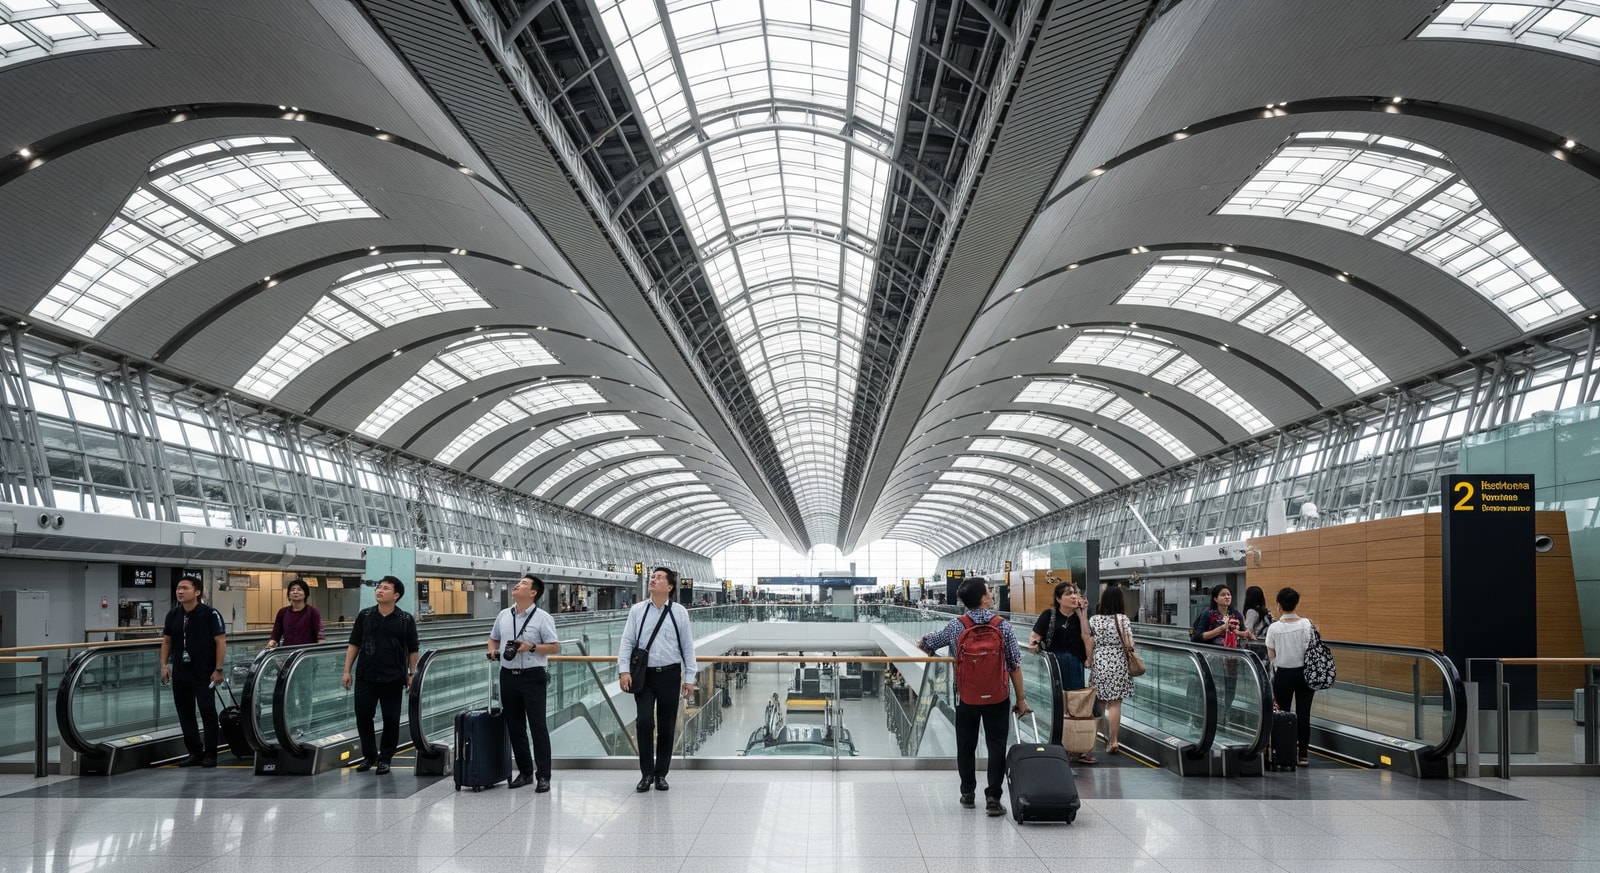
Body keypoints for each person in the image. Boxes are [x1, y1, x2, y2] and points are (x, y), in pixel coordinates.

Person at [918, 578, 1031, 817]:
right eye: (989, 591)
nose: (992, 594)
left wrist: (926, 642)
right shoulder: (1003, 626)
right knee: (996, 746)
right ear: (983, 598)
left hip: (966, 697)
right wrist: (1021, 699)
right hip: (998, 698)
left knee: (966, 746)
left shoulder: (956, 626)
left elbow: (929, 642)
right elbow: (1014, 666)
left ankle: (968, 793)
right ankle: (993, 798)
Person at [617, 566, 696, 792]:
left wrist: (689, 677)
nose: (653, 580)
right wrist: (624, 671)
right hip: (644, 675)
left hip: (670, 675)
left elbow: (687, 648)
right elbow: (627, 642)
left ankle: (661, 773)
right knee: (643, 723)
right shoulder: (637, 610)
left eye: (659, 578)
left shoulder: (679, 612)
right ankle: (646, 774)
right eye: (653, 577)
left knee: (666, 726)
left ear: (669, 587)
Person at [488, 574, 560, 792]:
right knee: (515, 727)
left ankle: (544, 776)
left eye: (523, 584)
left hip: (533, 676)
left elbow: (554, 646)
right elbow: (494, 638)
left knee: (538, 727)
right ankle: (525, 772)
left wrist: (531, 647)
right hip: (508, 676)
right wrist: (492, 649)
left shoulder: (542, 617)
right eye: (518, 582)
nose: (517, 584)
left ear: (533, 593)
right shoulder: (503, 615)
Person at [342, 576, 419, 774]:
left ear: (396, 595)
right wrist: (347, 671)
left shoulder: (405, 619)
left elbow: (413, 649)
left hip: (393, 677)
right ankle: (369, 756)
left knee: (391, 719)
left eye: (385, 588)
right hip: (366, 676)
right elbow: (354, 643)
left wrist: (412, 674)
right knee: (363, 717)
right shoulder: (365, 615)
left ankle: (385, 757)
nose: (379, 590)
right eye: (379, 587)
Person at [158, 575, 226, 767]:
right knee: (185, 713)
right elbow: (167, 641)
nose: (180, 591)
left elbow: (220, 641)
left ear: (197, 592)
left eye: (185, 588)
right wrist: (164, 665)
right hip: (181, 672)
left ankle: (211, 753)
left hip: (204, 672)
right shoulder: (173, 615)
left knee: (207, 711)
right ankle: (194, 752)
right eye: (178, 588)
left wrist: (218, 669)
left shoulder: (210, 614)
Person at [1028, 581, 1096, 764]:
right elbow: (1034, 637)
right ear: (1058, 599)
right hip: (1054, 666)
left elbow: (1087, 638)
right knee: (1060, 707)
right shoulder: (1048, 615)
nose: (1073, 596)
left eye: (1074, 593)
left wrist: (1082, 615)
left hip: (1075, 665)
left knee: (1078, 705)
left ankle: (1079, 748)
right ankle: (1061, 746)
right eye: (1068, 594)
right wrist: (1034, 645)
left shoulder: (1080, 616)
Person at [1264, 586, 1316, 768]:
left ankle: (1284, 754)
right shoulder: (1307, 624)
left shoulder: (1274, 628)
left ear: (1279, 605)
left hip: (1283, 674)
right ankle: (1303, 756)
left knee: (1282, 714)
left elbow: (1271, 654)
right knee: (1304, 715)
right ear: (1297, 603)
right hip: (1305, 674)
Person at [1088, 587, 1136, 755]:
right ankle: (1113, 740)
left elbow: (1090, 642)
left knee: (1099, 702)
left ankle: (1093, 739)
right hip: (1118, 662)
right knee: (1115, 702)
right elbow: (1130, 644)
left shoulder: (1094, 620)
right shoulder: (1123, 619)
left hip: (1100, 661)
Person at [1192, 583, 1252, 713]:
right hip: (1213, 660)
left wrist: (1245, 634)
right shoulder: (1208, 614)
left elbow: (1243, 632)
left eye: (1229, 594)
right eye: (1223, 595)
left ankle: (1226, 714)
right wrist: (1220, 629)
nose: (1227, 597)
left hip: (1232, 660)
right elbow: (1198, 636)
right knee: (1214, 690)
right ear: (1215, 599)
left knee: (1230, 690)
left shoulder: (1235, 614)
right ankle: (1211, 715)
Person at [267, 578, 323, 647]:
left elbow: (320, 635)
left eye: (299, 590)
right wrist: (271, 644)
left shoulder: (313, 611)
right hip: (287, 652)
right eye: (292, 590)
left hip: (306, 653)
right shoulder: (282, 612)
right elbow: (276, 634)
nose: (295, 592)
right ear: (288, 594)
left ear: (305, 594)